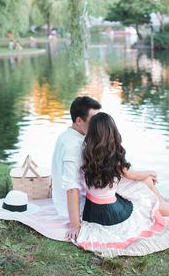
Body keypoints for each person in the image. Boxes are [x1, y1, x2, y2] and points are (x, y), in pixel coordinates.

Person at [75, 112, 169, 257]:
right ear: (112, 132)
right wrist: (150, 172)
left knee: (142, 183)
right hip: (111, 214)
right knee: (144, 197)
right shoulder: (114, 156)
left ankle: (165, 205)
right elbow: (132, 175)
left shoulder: (86, 152)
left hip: (92, 212)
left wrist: (146, 176)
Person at [51, 96, 101, 240]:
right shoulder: (74, 146)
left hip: (61, 200)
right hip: (74, 208)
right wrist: (75, 224)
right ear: (79, 121)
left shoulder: (66, 135)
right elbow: (72, 187)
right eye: (94, 120)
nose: (98, 124)